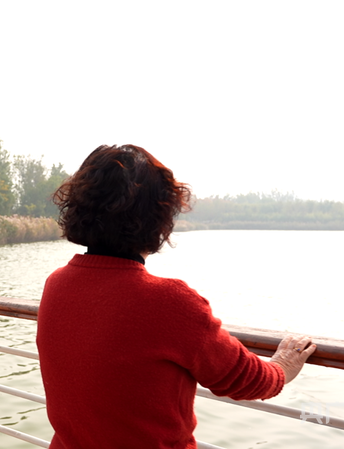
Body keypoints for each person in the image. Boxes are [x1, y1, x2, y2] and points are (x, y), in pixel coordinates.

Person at [36, 145, 316, 449]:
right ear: (158, 218)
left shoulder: (57, 284)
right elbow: (244, 379)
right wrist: (283, 367)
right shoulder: (168, 302)